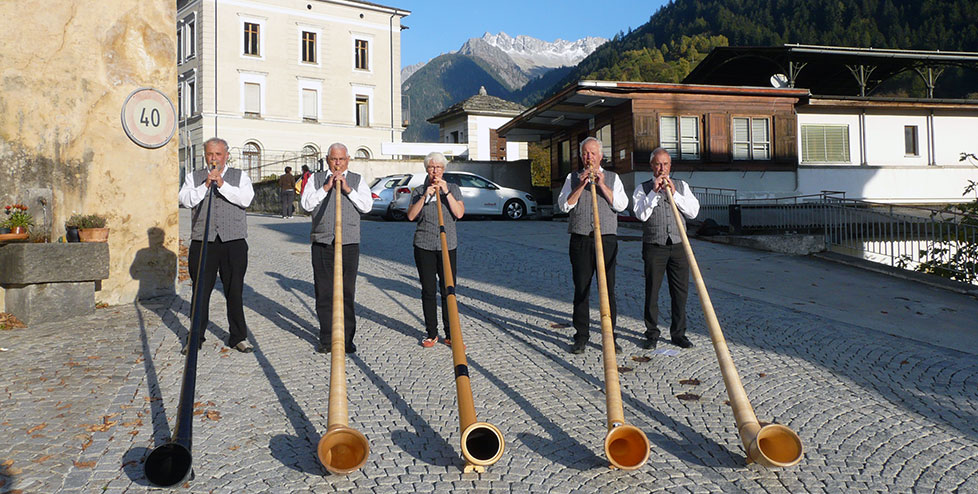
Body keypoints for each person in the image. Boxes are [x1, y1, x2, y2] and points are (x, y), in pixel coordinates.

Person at [177, 137, 255, 354]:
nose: (214, 159)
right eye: (210, 154)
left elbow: (245, 200)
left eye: (218, 154)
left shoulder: (240, 177)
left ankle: (238, 336)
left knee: (235, 290)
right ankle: (195, 336)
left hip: (234, 241)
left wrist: (221, 184)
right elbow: (186, 200)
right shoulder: (194, 177)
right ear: (205, 155)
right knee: (200, 291)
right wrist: (205, 186)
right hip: (203, 241)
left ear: (226, 155)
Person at [557, 137, 628, 354]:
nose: (589, 157)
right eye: (585, 153)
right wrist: (581, 184)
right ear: (581, 156)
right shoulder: (571, 178)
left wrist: (602, 184)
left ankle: (610, 336)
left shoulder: (614, 178)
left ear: (601, 156)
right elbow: (563, 206)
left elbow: (622, 205)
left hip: (606, 238)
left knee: (608, 290)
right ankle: (581, 336)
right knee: (582, 288)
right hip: (580, 238)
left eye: (593, 153)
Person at [300, 143, 373, 354]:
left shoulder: (358, 180)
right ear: (327, 159)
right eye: (333, 159)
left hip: (349, 242)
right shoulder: (315, 179)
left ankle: (347, 338)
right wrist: (326, 187)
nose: (337, 163)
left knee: (347, 292)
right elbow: (306, 205)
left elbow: (366, 207)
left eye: (341, 159)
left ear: (348, 159)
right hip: (322, 241)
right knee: (323, 292)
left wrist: (348, 189)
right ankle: (326, 338)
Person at [632, 147, 700, 350]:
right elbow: (640, 215)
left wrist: (676, 193)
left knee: (680, 292)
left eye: (666, 164)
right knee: (652, 291)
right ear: (651, 166)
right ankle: (651, 333)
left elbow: (693, 212)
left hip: (679, 245)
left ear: (670, 166)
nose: (662, 168)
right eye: (658, 164)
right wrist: (654, 192)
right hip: (654, 246)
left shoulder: (681, 185)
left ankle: (678, 334)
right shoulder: (642, 188)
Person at [406, 152, 465, 348]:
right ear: (426, 170)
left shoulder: (454, 189)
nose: (435, 171)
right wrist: (426, 196)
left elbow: (459, 213)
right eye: (431, 167)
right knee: (428, 290)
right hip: (424, 245)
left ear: (444, 170)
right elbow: (411, 216)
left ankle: (451, 334)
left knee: (448, 290)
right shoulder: (419, 190)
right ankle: (432, 332)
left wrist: (446, 191)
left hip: (448, 245)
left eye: (438, 167)